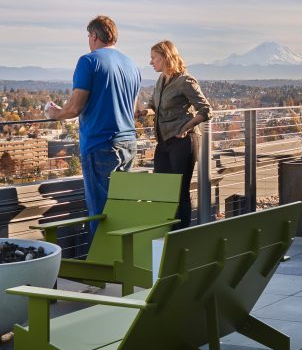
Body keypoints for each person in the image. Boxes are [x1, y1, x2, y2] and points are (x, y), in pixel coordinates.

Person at [46, 15, 141, 235]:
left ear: (94, 36)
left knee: (101, 213)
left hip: (100, 145)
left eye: (89, 36)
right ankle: (121, 261)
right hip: (128, 143)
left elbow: (75, 108)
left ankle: (100, 264)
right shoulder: (131, 65)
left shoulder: (89, 61)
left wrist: (54, 113)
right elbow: (134, 108)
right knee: (120, 209)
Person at [135, 40, 211, 228]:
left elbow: (206, 110)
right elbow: (154, 106)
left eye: (154, 58)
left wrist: (186, 127)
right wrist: (144, 112)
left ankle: (181, 235)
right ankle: (166, 231)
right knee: (162, 189)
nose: (151, 62)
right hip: (164, 141)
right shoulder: (161, 80)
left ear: (166, 57)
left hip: (184, 142)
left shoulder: (185, 81)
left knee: (180, 192)